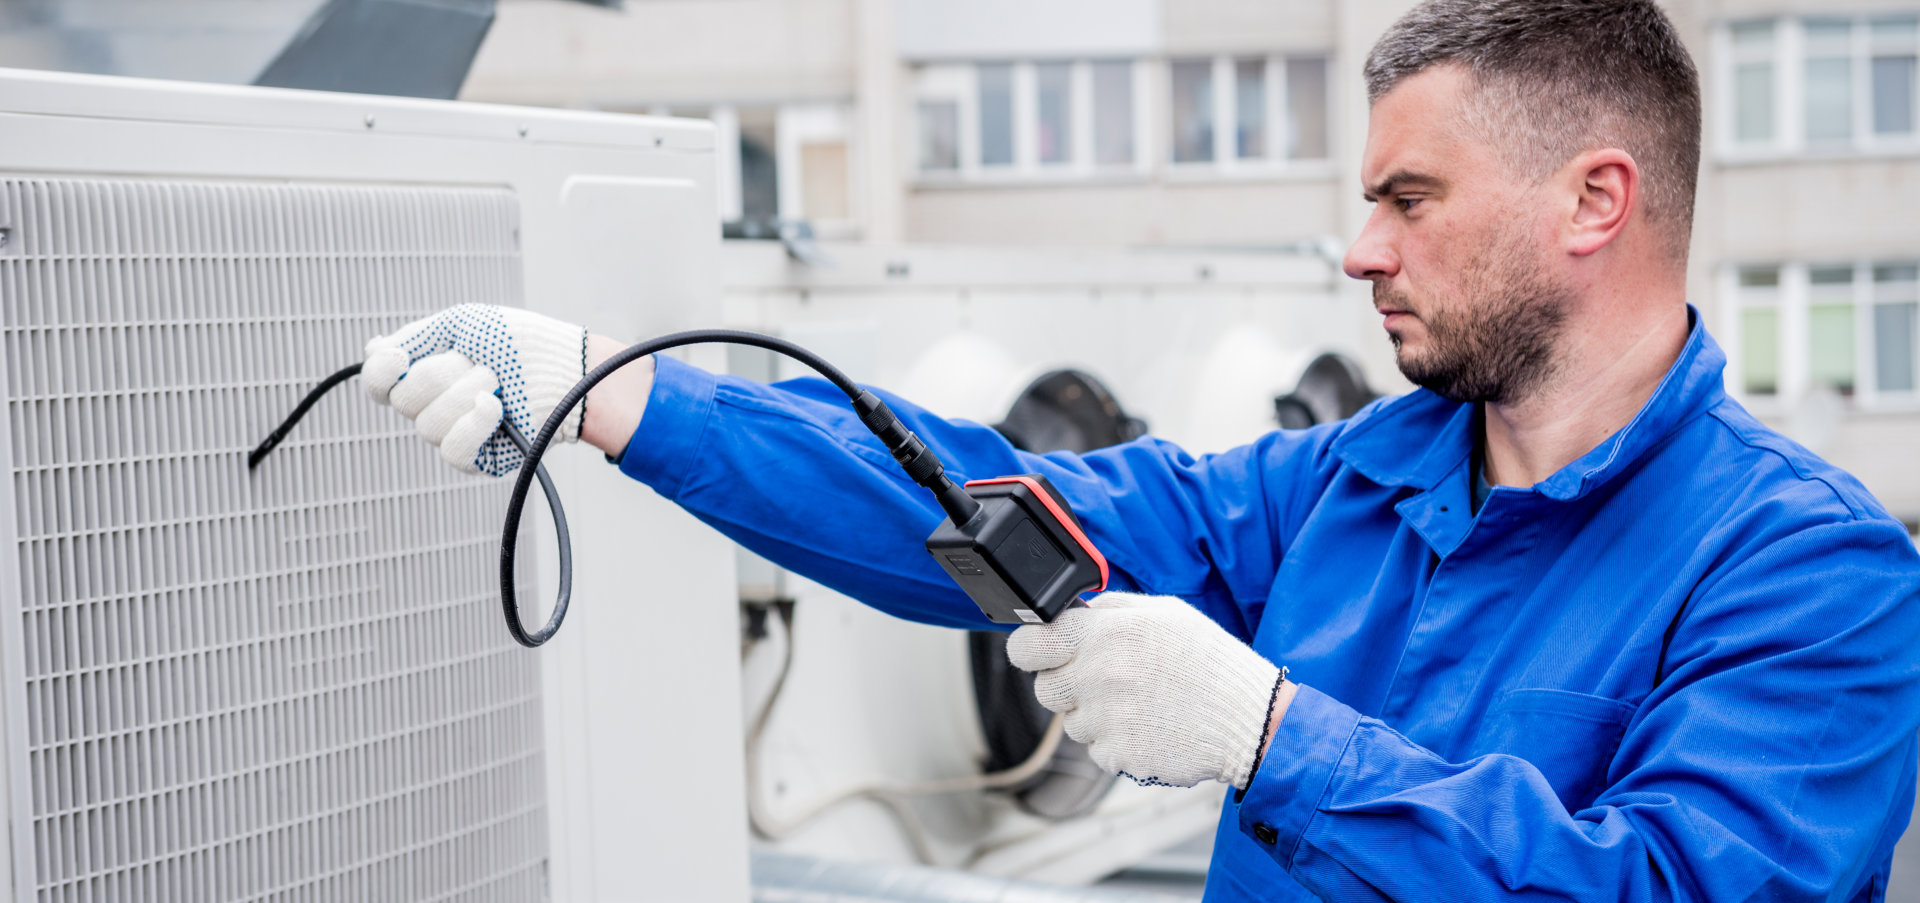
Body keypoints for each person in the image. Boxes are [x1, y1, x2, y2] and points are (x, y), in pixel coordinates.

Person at [358, 0, 1920, 898]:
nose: (1359, 250)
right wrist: (622, 400)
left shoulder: (1815, 573)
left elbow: (1673, 888)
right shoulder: (1348, 483)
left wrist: (1270, 740)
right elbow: (981, 513)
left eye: (1410, 200)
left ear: (1596, 201)